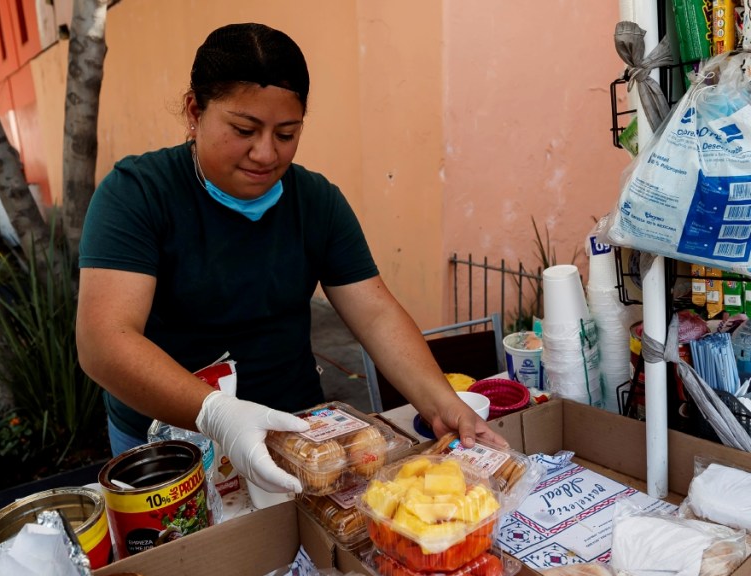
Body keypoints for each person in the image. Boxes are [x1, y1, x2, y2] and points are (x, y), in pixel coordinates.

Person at [76, 22, 505, 494]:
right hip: (172, 445)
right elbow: (105, 340)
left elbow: (377, 313)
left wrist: (444, 404)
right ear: (194, 111)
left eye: (286, 133)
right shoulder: (138, 194)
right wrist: (217, 415)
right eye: (244, 129)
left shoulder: (316, 201)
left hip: (300, 436)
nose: (265, 153)